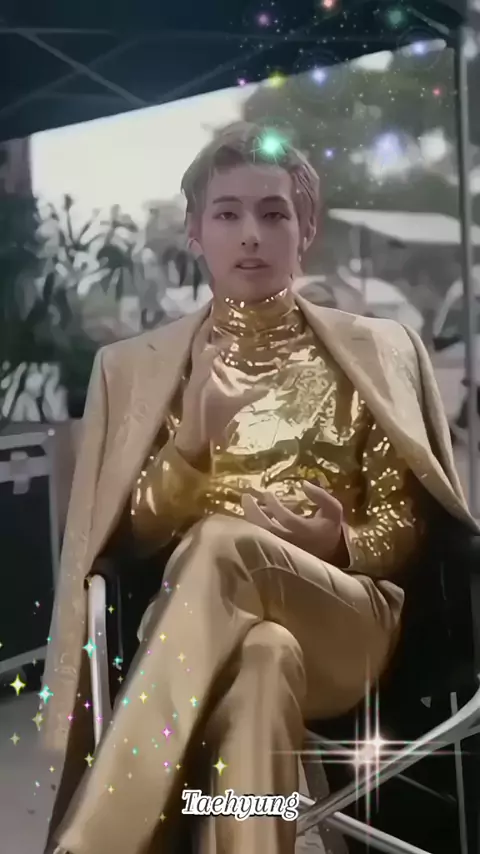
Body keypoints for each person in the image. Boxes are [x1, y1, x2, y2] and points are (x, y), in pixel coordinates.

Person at [42, 122, 476, 854]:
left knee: (223, 544)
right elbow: (130, 537)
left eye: (274, 213)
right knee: (264, 657)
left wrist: (341, 540)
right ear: (195, 231)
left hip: (350, 625)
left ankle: (97, 840)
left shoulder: (376, 351)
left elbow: (406, 525)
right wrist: (190, 445)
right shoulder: (136, 368)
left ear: (306, 229)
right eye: (227, 213)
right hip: (199, 638)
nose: (251, 233)